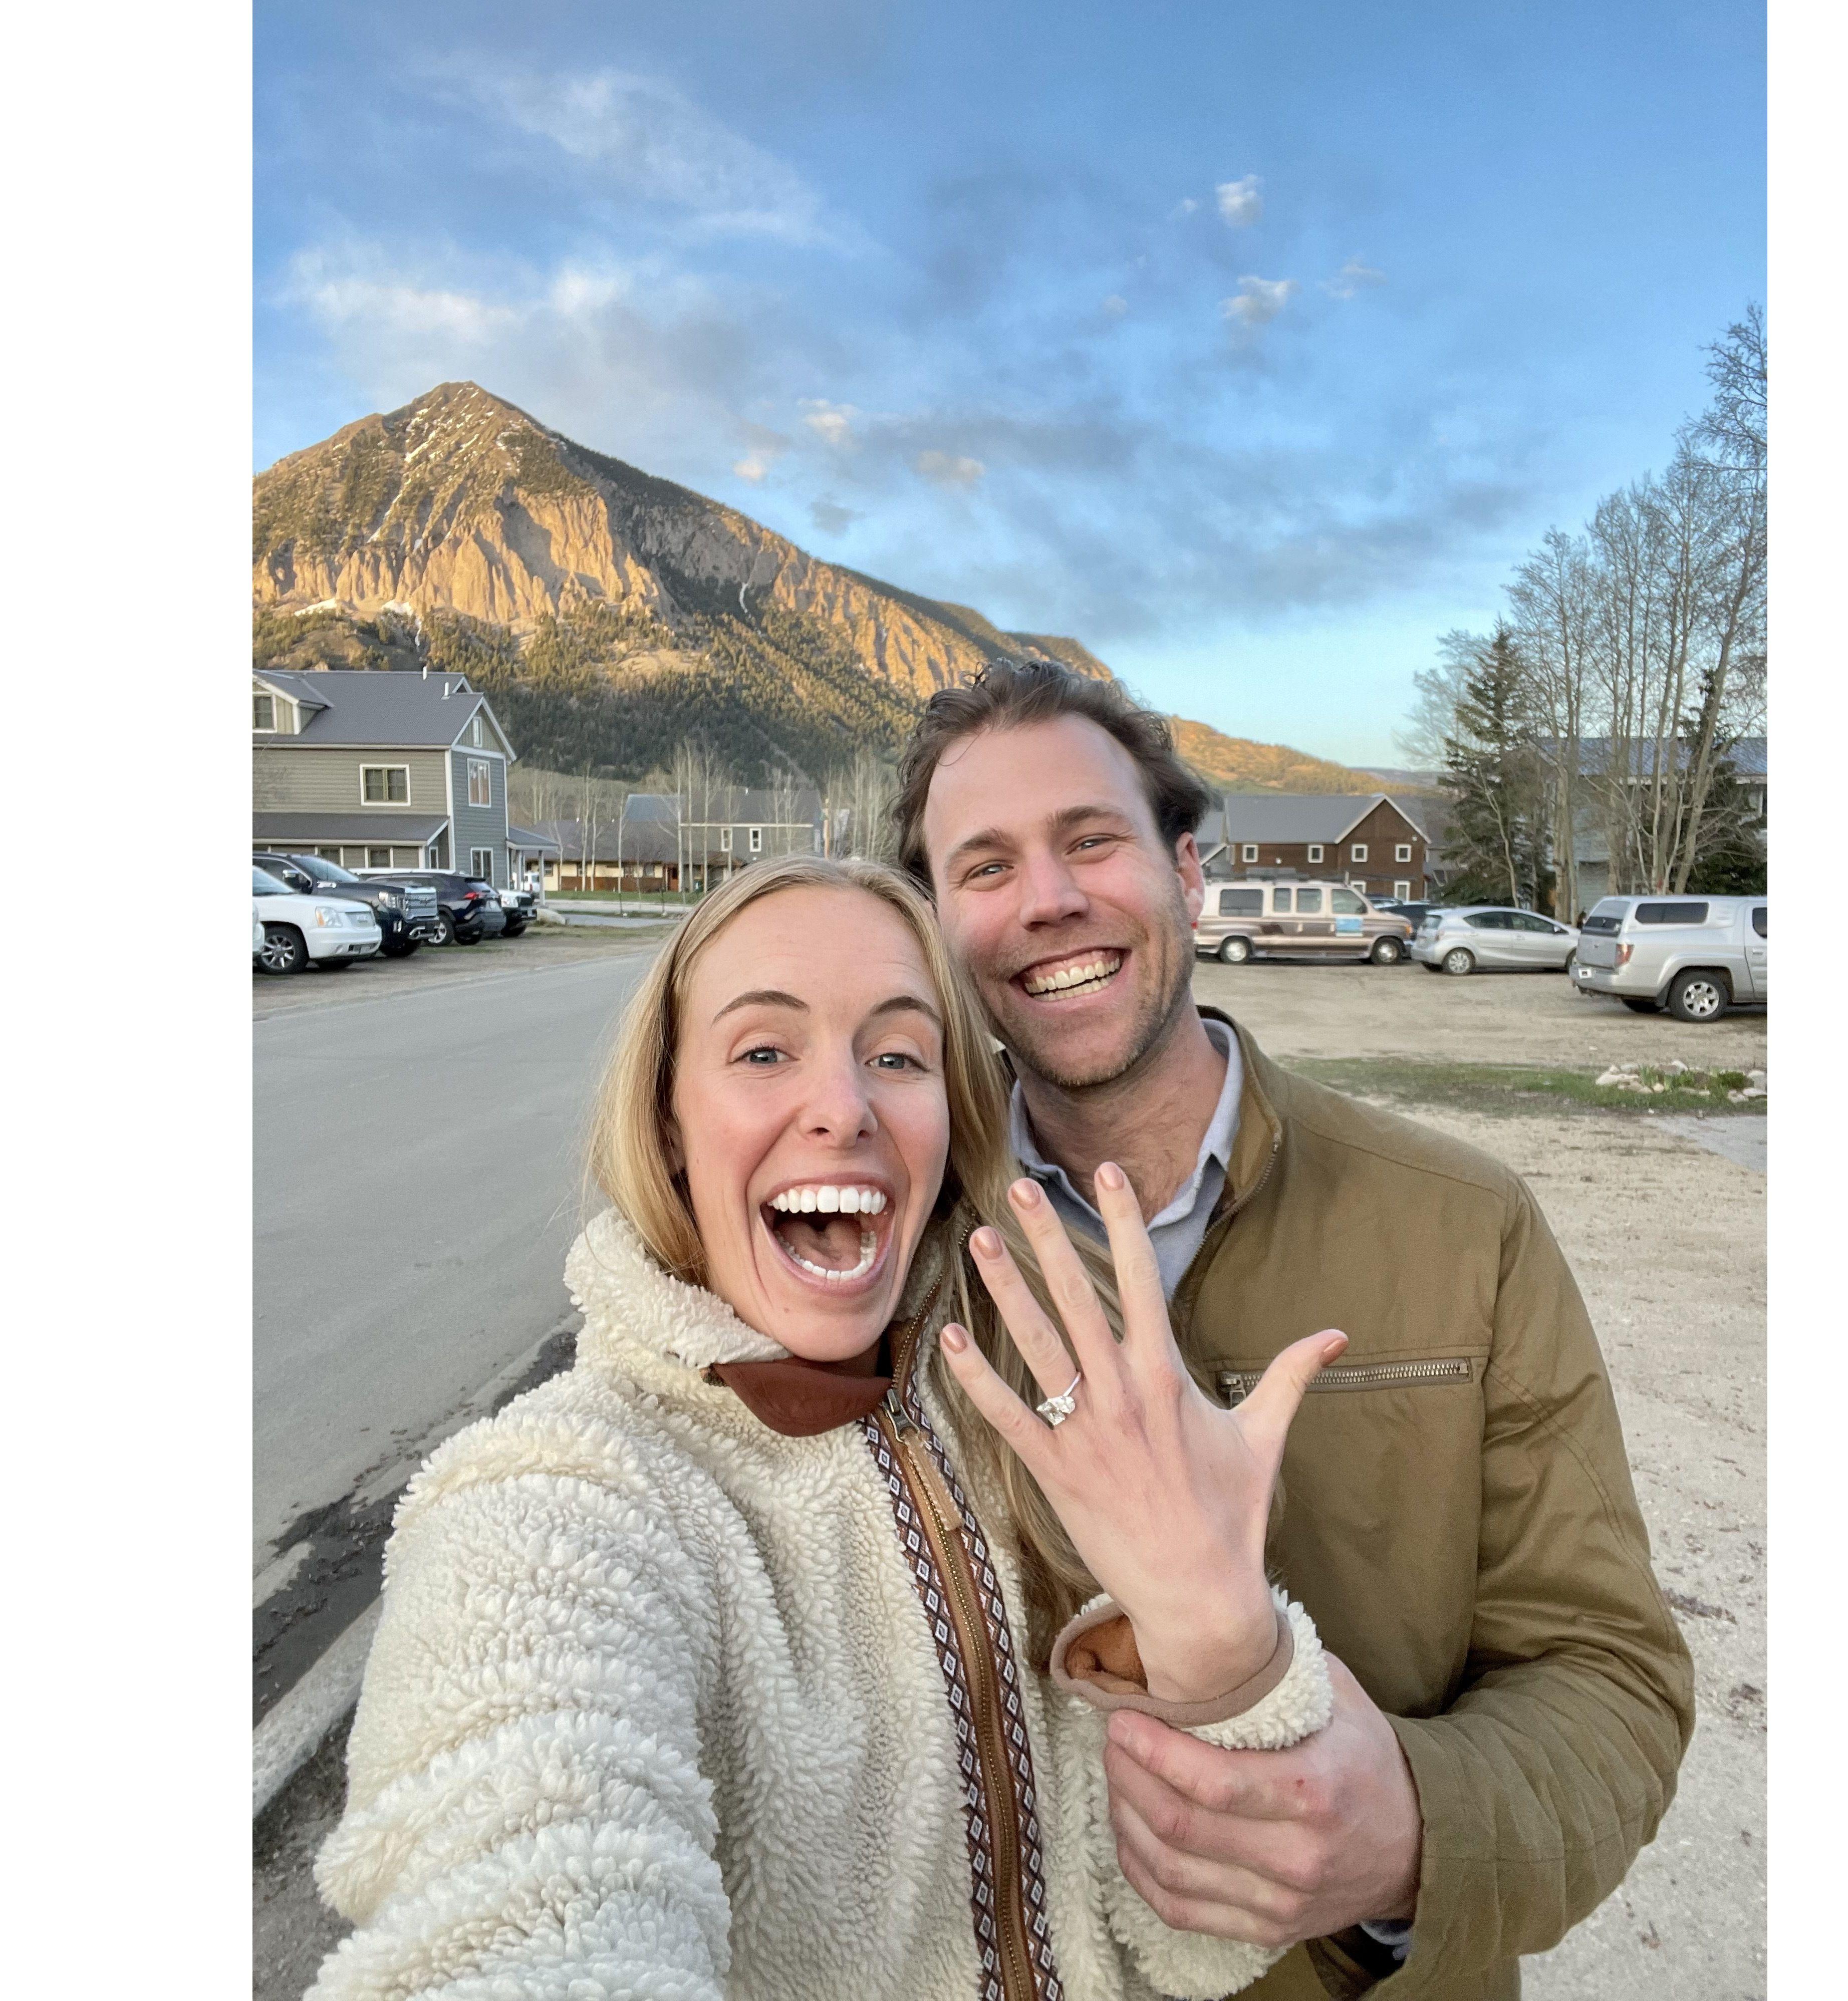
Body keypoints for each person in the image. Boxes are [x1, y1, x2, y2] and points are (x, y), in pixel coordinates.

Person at [307, 854, 1353, 2001]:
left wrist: (1226, 1654)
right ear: (667, 1126)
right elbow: (523, 1897)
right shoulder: (551, 1504)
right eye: (764, 1051)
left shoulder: (1040, 1440)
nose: (844, 1108)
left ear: (948, 1126)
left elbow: (1196, 1943)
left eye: (899, 1056)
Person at [893, 662, 1695, 2001]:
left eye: (1092, 840)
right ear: (935, 923)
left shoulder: (1461, 1228)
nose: (1048, 899)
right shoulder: (898, 1258)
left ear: (1187, 873)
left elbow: (1610, 1680)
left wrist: (1410, 1833)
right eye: (984, 867)